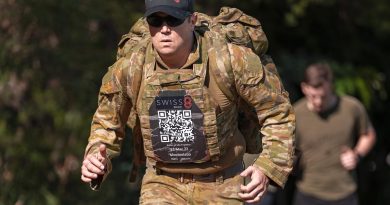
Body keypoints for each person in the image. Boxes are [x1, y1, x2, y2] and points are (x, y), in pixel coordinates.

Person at [80, 0, 295, 204]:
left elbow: (277, 112)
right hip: (161, 182)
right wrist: (97, 155)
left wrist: (268, 166)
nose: (164, 29)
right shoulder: (130, 68)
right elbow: (107, 123)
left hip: (223, 183)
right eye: (156, 21)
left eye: (173, 20)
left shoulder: (229, 60)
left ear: (192, 21)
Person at [293, 62, 376, 205]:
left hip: (344, 193)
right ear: (304, 88)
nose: (318, 102)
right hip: (308, 192)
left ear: (331, 86)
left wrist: (356, 155)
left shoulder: (351, 107)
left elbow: (368, 134)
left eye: (323, 96)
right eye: (313, 96)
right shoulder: (295, 113)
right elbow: (289, 150)